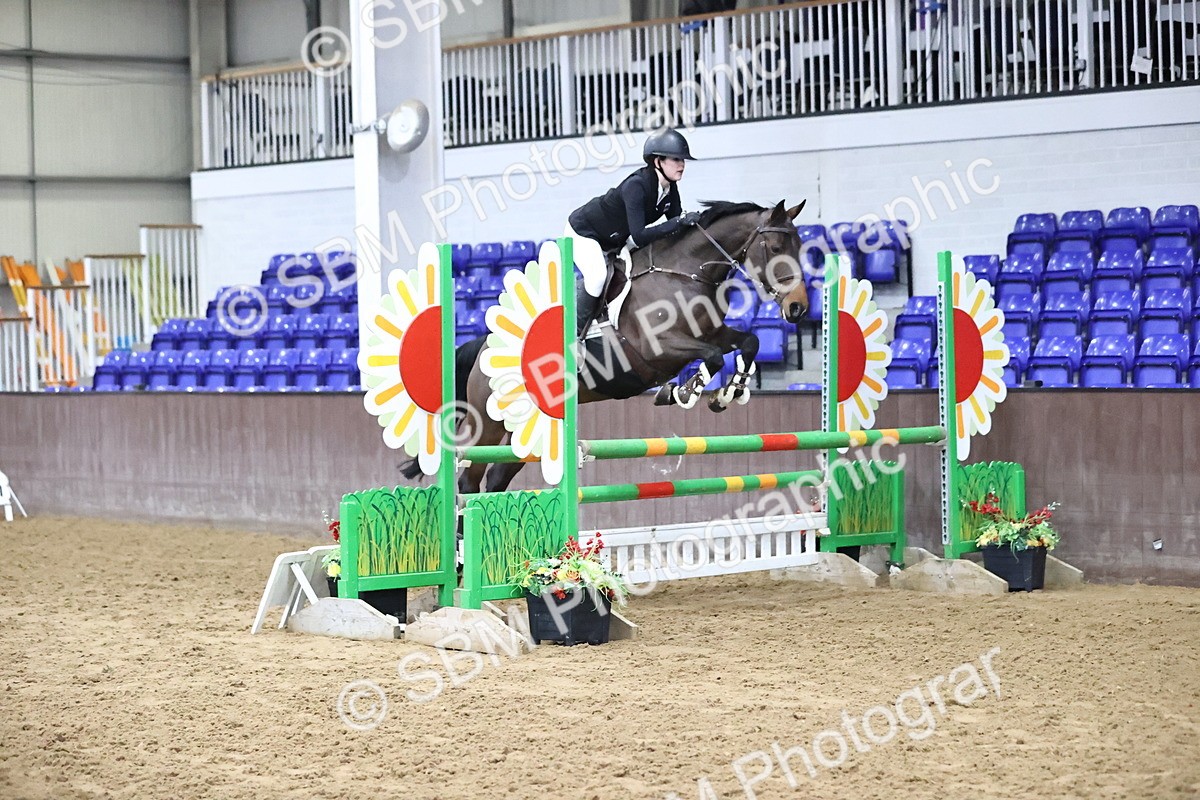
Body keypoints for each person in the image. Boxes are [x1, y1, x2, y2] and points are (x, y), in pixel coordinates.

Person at [565, 127, 700, 337]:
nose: (682, 165)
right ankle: (573, 335)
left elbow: (676, 223)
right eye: (676, 159)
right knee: (598, 277)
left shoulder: (669, 187)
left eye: (683, 160)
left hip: (616, 238)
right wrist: (679, 222)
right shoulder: (636, 186)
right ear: (657, 162)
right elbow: (639, 235)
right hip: (585, 233)